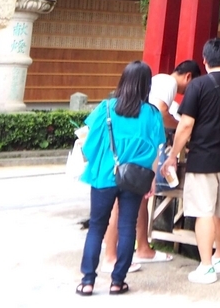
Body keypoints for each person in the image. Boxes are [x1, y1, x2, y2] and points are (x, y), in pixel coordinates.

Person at [161, 38, 220, 285]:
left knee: (204, 212)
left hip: (203, 159)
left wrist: (173, 155)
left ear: (204, 60)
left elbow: (186, 125)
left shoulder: (198, 86)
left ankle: (205, 267)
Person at [76, 61, 165, 296]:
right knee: (127, 227)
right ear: (147, 85)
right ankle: (117, 281)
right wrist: (152, 179)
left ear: (123, 81)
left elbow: (88, 145)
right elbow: (155, 150)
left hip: (103, 176)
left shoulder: (105, 108)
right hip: (134, 179)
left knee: (96, 227)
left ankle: (87, 281)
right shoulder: (152, 114)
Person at [103, 59, 201, 268]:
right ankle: (111, 256)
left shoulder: (162, 85)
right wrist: (182, 127)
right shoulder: (168, 82)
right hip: (142, 152)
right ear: (188, 77)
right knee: (122, 205)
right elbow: (160, 112)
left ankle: (142, 248)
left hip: (136, 151)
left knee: (140, 201)